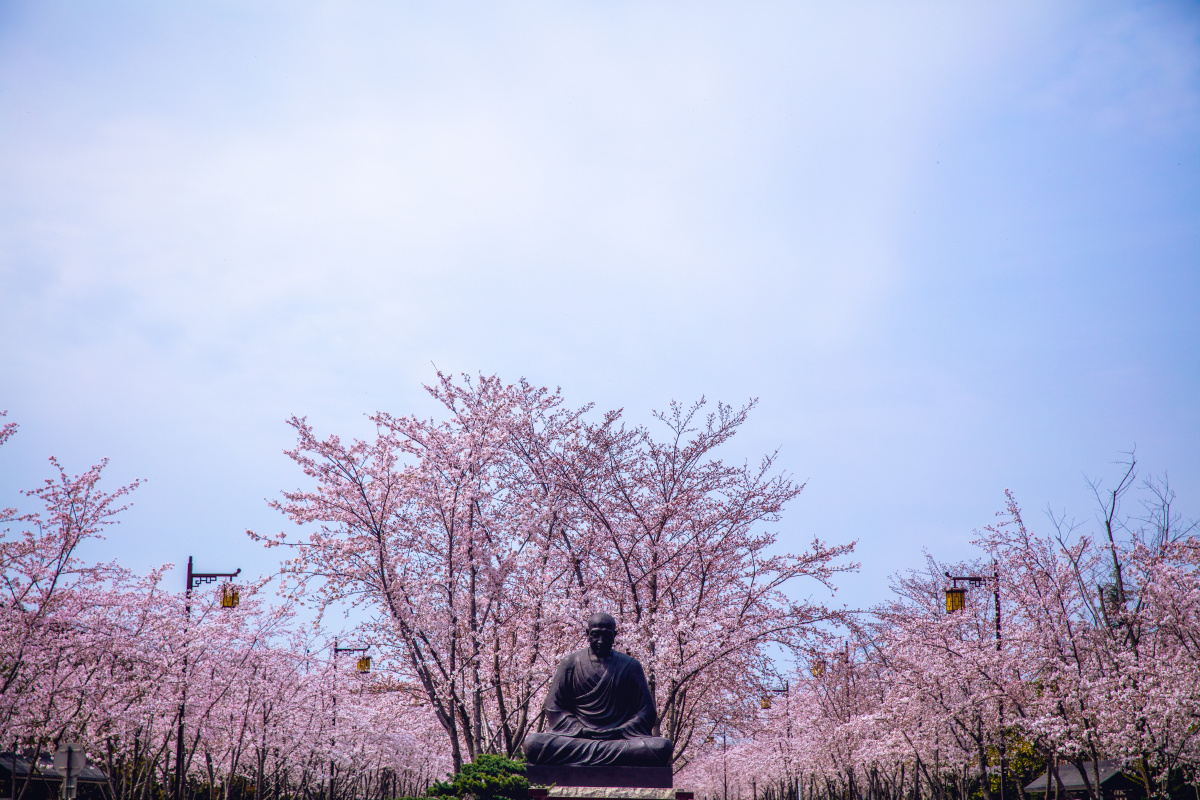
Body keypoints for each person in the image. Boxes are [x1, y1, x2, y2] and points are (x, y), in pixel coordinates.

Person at [522, 612, 674, 767]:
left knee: (662, 747)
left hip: (619, 739)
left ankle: (594, 759)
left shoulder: (630, 666)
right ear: (587, 634)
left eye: (607, 635)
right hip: (577, 738)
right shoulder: (570, 663)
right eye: (596, 635)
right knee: (533, 743)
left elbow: (647, 712)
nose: (601, 641)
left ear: (615, 635)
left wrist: (620, 730)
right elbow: (553, 707)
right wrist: (580, 729)